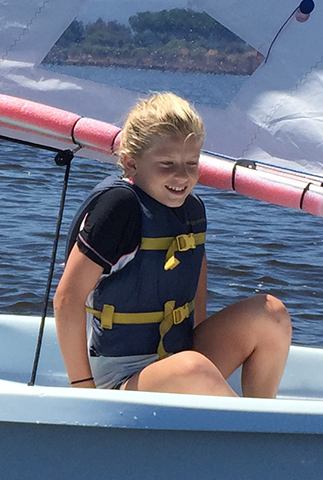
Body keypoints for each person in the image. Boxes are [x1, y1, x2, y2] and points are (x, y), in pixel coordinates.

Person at [53, 93, 291, 397]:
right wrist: (82, 389)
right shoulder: (118, 208)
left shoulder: (191, 209)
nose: (182, 175)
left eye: (192, 163)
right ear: (130, 163)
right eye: (167, 163)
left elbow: (194, 282)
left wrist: (197, 353)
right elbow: (67, 298)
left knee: (270, 314)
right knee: (192, 368)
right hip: (119, 377)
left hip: (177, 359)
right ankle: (256, 439)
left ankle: (264, 415)